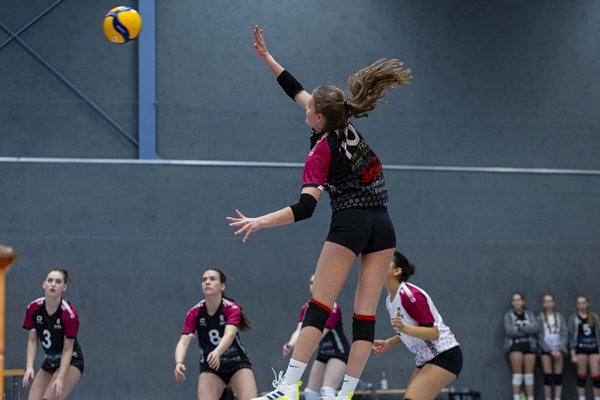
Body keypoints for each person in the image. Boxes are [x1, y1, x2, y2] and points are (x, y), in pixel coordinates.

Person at [227, 25, 410, 400]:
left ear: (320, 118)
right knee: (364, 317)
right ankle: (346, 394)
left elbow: (305, 208)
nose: (305, 107)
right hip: (383, 225)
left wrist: (260, 221)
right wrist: (268, 59)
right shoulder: (343, 120)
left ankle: (288, 387)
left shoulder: (321, 151)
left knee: (319, 306)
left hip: (351, 222)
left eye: (310, 108)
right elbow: (295, 89)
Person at [371, 251, 462, 400]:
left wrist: (405, 328)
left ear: (397, 271)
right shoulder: (390, 300)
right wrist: (388, 343)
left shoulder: (410, 295)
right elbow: (410, 333)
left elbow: (434, 333)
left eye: (386, 260)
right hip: (425, 358)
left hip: (445, 355)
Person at [174, 268, 257, 400]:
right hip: (210, 366)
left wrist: (217, 352)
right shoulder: (194, 313)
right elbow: (183, 342)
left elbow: (230, 335)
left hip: (236, 362)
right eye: (204, 280)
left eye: (212, 279)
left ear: (222, 286)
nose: (207, 282)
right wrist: (179, 362)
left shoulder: (231, 308)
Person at [283, 275, 350, 400]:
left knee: (327, 392)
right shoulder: (306, 307)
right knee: (310, 393)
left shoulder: (332, 306)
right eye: (311, 282)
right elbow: (300, 330)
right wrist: (291, 344)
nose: (313, 285)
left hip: (339, 353)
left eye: (317, 282)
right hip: (323, 354)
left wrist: (302, 348)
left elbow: (318, 333)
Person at [22, 267, 84, 400]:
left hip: (71, 361)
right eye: (50, 280)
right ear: (44, 284)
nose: (53, 284)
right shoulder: (33, 308)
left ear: (64, 287)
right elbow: (32, 340)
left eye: (58, 281)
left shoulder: (69, 314)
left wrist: (61, 378)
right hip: (50, 361)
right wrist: (29, 366)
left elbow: (68, 349)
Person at [503, 292, 539, 400]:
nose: (516, 302)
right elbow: (509, 331)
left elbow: (535, 328)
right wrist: (527, 329)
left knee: (529, 376)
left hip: (529, 346)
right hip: (515, 347)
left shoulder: (529, 315)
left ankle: (530, 398)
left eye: (518, 300)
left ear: (523, 302)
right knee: (518, 375)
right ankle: (517, 398)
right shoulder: (508, 315)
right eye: (514, 300)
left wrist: (519, 328)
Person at [568, 295, 600, 400]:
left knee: (597, 377)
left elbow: (598, 335)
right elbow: (571, 337)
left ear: (587, 304)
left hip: (593, 349)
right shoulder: (574, 318)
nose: (581, 305)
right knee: (581, 376)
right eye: (579, 303)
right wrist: (573, 354)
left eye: (583, 303)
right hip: (581, 350)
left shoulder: (594, 317)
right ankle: (581, 398)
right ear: (576, 305)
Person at [537, 294, 568, 400]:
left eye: (550, 301)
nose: (548, 304)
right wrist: (549, 350)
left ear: (554, 303)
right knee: (548, 377)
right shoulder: (540, 317)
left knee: (558, 377)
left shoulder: (560, 317)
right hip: (546, 349)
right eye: (546, 301)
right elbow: (539, 336)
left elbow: (564, 333)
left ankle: (557, 398)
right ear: (543, 304)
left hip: (558, 349)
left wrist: (560, 349)